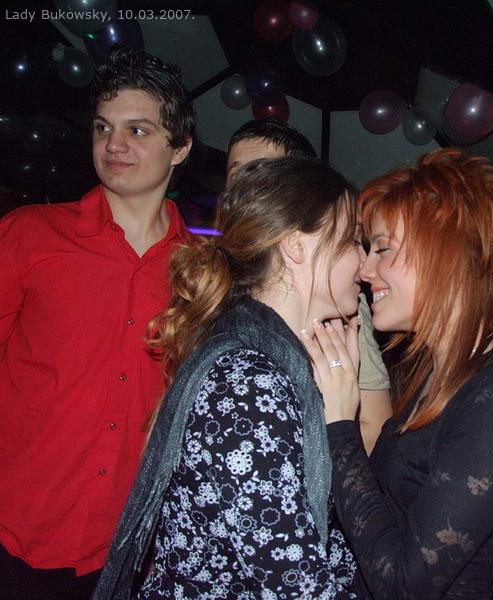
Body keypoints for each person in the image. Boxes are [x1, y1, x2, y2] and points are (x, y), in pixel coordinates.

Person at [95, 156, 360, 599]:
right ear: (296, 245)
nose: (365, 263)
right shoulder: (249, 386)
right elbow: (295, 586)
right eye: (352, 240)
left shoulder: (273, 363)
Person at [302, 148, 493, 599]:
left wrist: (340, 428)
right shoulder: (441, 373)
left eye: (383, 248)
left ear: (448, 253)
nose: (364, 269)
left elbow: (405, 583)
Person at [0, 48, 194, 599]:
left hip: (124, 550)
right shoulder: (28, 234)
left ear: (180, 148)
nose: (113, 145)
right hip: (14, 528)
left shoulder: (200, 273)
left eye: (138, 130)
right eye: (103, 128)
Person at [226, 119, 392, 454]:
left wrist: (340, 414)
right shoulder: (250, 374)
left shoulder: (339, 317)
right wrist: (338, 423)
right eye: (238, 176)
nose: (365, 264)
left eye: (266, 175)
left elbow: (374, 427)